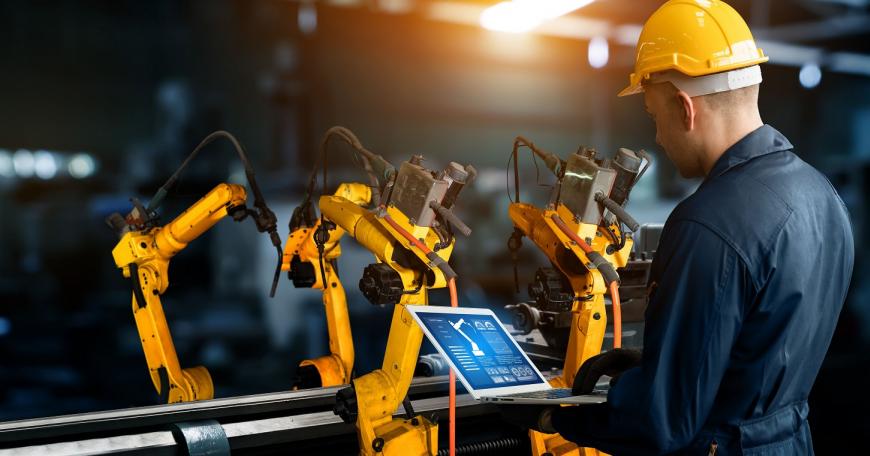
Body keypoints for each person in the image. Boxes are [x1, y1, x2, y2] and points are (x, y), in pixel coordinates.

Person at [500, 1, 855, 454]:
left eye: (654, 116)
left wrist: (554, 417)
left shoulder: (706, 222)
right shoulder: (822, 195)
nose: (658, 137)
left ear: (685, 109)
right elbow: (760, 348)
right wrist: (657, 364)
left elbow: (662, 422)